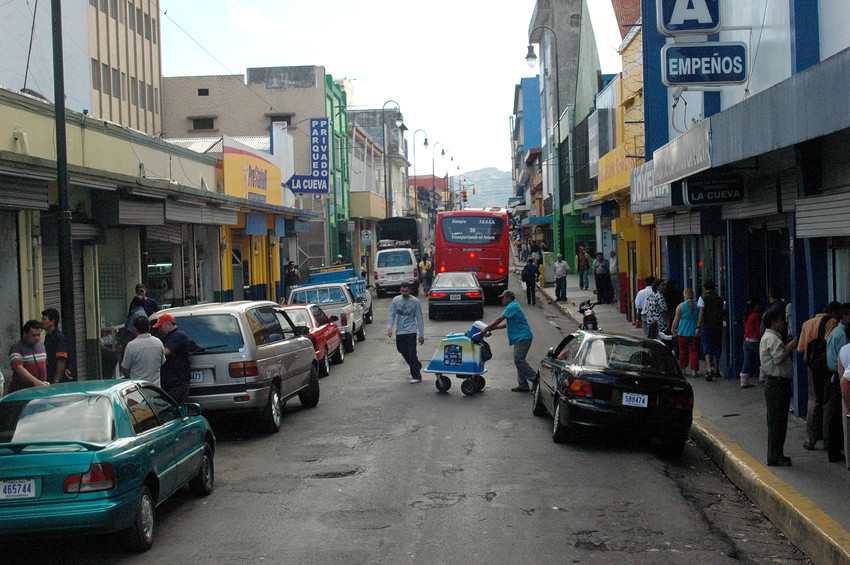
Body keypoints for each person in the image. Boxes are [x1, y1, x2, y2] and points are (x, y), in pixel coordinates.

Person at [797, 301, 840, 450]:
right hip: (827, 368)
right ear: (834, 313)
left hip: (812, 367)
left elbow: (801, 348)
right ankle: (829, 440)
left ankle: (810, 438)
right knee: (828, 403)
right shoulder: (833, 322)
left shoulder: (807, 324)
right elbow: (831, 346)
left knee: (813, 400)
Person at [760, 308, 798, 467]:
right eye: (781, 320)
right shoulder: (773, 339)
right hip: (777, 383)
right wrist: (790, 347)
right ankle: (775, 455)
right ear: (774, 322)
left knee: (778, 421)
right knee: (777, 421)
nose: (783, 322)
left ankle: (777, 453)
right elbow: (779, 358)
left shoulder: (769, 337)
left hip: (777, 383)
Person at [484, 290, 536, 392]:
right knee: (519, 361)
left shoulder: (512, 306)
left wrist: (487, 328)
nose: (502, 300)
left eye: (503, 298)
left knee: (519, 360)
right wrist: (493, 328)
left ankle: (535, 379)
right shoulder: (513, 306)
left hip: (523, 336)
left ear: (508, 298)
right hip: (520, 337)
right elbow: (507, 324)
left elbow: (500, 319)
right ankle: (523, 385)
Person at [824, 303, 850, 462]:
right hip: (839, 378)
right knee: (838, 418)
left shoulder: (836, 332)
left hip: (836, 376)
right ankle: (835, 450)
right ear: (844, 316)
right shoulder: (841, 335)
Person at [387, 281, 425, 383]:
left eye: (406, 291)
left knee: (412, 353)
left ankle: (417, 376)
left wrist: (421, 335)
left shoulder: (415, 302)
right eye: (402, 291)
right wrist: (389, 328)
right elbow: (392, 314)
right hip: (400, 331)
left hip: (411, 331)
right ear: (400, 290)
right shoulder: (396, 300)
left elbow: (419, 318)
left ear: (410, 290)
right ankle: (417, 365)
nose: (404, 293)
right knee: (402, 350)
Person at [153, 313, 191, 403]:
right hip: (167, 381)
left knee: (175, 406)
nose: (159, 330)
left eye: (160, 327)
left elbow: (165, 352)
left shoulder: (179, 336)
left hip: (178, 380)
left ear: (168, 325)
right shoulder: (164, 338)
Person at [121, 316, 166, 386]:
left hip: (138, 389)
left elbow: (125, 368)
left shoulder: (131, 346)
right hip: (155, 388)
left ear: (135, 329)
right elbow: (162, 362)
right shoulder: (158, 342)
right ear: (149, 328)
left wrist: (131, 379)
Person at [8, 320, 48, 393]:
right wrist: (35, 381)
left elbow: (45, 364)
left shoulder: (41, 346)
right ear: (25, 334)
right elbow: (18, 368)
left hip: (39, 390)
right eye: (33, 335)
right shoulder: (17, 348)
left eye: (38, 335)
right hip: (21, 391)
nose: (36, 338)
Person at [697, 280, 724, 381]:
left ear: (705, 288)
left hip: (706, 326)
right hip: (717, 326)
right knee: (717, 347)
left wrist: (698, 326)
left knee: (707, 346)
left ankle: (709, 368)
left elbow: (701, 313)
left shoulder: (703, 298)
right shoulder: (719, 299)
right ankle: (716, 368)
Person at [671, 288, 700, 377]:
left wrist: (673, 329)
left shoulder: (680, 306)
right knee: (694, 351)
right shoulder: (698, 306)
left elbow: (676, 319)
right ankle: (694, 371)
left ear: (685, 296)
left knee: (683, 351)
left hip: (682, 332)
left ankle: (683, 369)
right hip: (694, 333)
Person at [740, 298, 764, 388]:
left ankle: (744, 381)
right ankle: (763, 376)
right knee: (763, 357)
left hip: (746, 340)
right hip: (755, 340)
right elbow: (759, 329)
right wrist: (761, 338)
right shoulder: (756, 315)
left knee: (747, 361)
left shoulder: (746, 316)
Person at [41, 308, 69, 384]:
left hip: (55, 378)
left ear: (52, 321)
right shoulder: (48, 336)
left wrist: (56, 380)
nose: (42, 322)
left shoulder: (59, 337)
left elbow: (61, 360)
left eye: (44, 319)